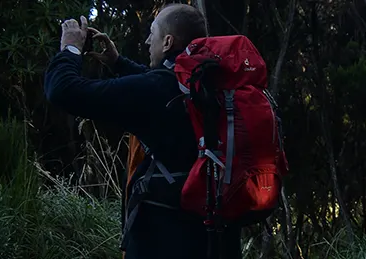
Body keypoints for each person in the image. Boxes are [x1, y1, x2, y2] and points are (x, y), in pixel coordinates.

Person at [44, 4, 233, 258]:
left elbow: (63, 90)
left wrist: (70, 48)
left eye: (152, 33)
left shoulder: (157, 90)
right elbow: (157, 84)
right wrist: (118, 62)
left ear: (167, 42)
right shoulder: (211, 84)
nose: (146, 41)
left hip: (163, 241)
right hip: (216, 240)